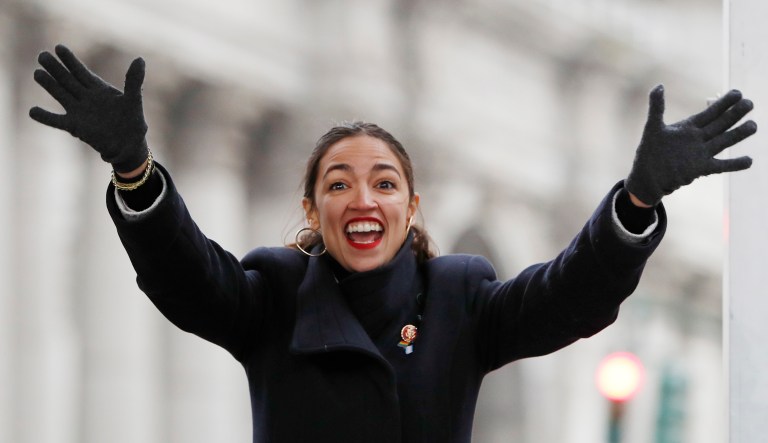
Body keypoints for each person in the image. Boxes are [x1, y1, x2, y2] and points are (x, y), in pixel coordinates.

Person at [29, 44, 757, 443]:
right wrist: (134, 171)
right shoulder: (275, 296)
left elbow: (568, 294)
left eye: (383, 182)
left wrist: (636, 201)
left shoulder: (461, 299)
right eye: (338, 184)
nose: (362, 198)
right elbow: (188, 275)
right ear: (313, 208)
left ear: (411, 208)